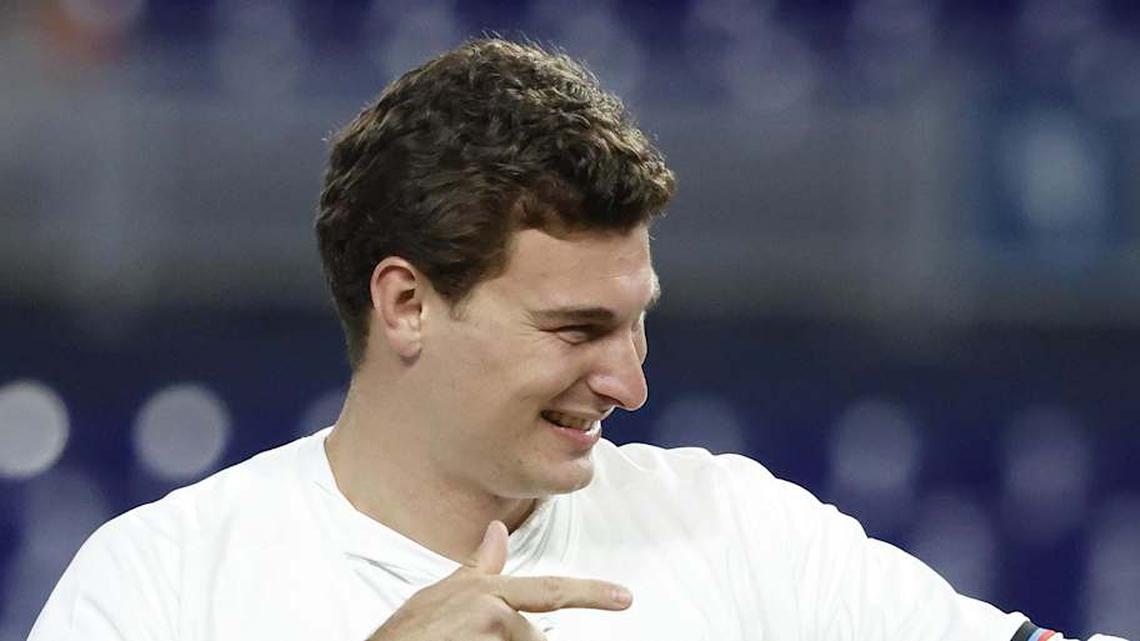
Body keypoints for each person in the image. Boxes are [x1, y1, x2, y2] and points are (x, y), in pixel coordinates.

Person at [28, 38, 1127, 641]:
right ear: (407, 302)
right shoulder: (161, 584)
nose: (630, 382)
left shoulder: (733, 529)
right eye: (576, 328)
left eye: (638, 320)